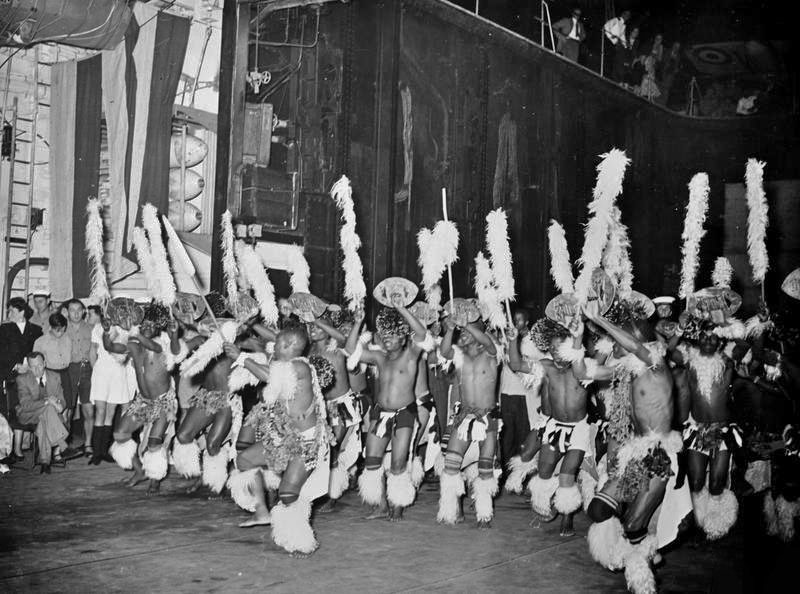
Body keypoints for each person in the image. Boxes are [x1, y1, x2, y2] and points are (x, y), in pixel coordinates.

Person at [584, 301, 685, 594]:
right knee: (599, 509)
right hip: (635, 451)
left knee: (632, 526)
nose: (613, 346)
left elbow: (635, 345)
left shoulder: (656, 364)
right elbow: (584, 370)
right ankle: (647, 547)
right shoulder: (626, 370)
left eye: (617, 341)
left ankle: (643, 579)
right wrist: (580, 339)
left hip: (660, 456)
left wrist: (601, 320)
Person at [226, 325, 331, 555]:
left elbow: (270, 376)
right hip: (283, 437)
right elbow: (269, 371)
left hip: (306, 442)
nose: (275, 348)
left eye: (279, 344)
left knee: (287, 494)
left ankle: (301, 542)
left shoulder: (300, 366)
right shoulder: (284, 364)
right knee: (244, 461)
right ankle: (262, 511)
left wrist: (242, 358)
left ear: (291, 346)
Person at [508, 313, 607, 536]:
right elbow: (515, 363)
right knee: (543, 472)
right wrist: (513, 339)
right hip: (554, 427)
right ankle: (550, 504)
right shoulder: (546, 367)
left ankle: (567, 517)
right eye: (551, 348)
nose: (554, 352)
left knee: (567, 474)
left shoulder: (583, 368)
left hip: (579, 429)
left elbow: (599, 352)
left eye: (559, 348)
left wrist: (583, 334)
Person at [345, 294, 429, 521]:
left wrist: (401, 309)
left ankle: (398, 505)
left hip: (405, 415)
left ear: (403, 338)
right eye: (385, 334)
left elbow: (421, 333)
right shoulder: (380, 358)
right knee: (372, 460)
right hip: (380, 414)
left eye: (393, 335)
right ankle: (381, 505)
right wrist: (358, 323)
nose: (387, 338)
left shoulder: (412, 355)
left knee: (398, 462)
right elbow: (351, 349)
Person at [670, 318, 741, 540]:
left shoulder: (728, 362)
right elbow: (668, 350)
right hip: (696, 430)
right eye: (704, 336)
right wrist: (680, 327)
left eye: (713, 336)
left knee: (717, 482)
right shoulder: (689, 362)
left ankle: (717, 524)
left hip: (723, 431)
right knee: (697, 481)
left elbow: (746, 347)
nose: (708, 339)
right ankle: (700, 522)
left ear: (720, 340)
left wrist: (728, 324)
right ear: (697, 339)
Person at [109, 303, 183, 495]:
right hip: (143, 401)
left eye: (152, 325)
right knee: (120, 435)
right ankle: (140, 470)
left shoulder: (161, 346)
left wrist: (133, 330)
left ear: (158, 328)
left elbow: (151, 344)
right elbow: (112, 346)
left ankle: (155, 477)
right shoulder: (133, 345)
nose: (148, 328)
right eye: (145, 325)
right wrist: (108, 330)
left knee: (154, 444)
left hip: (164, 403)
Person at [437, 317, 500, 528]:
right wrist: (451, 329)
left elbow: (489, 343)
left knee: (485, 470)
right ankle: (451, 510)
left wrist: (468, 324)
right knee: (450, 465)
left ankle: (484, 516)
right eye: (461, 333)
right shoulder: (459, 356)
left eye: (467, 332)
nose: (462, 335)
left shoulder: (491, 354)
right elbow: (444, 351)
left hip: (487, 418)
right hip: (464, 417)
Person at [15, 352, 80, 473]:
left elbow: (61, 399)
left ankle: (45, 462)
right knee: (48, 409)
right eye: (33, 366)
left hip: (49, 416)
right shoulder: (22, 379)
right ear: (28, 367)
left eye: (39, 365)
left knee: (44, 420)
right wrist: (47, 402)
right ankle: (63, 445)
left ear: (44, 363)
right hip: (28, 414)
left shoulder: (55, 376)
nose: (36, 369)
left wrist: (60, 405)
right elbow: (26, 405)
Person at [87, 308, 134, 465]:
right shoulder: (98, 327)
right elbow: (92, 352)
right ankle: (96, 452)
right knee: (100, 411)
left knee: (111, 412)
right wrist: (97, 370)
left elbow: (126, 352)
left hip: (118, 371)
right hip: (101, 371)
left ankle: (104, 451)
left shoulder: (125, 328)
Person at [0, 297, 43, 464]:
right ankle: (11, 448)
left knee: (27, 407)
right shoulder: (3, 330)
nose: (9, 313)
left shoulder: (37, 330)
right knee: (11, 409)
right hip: (10, 376)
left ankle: (23, 446)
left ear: (22, 312)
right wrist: (15, 365)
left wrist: (28, 366)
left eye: (11, 310)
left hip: (30, 376)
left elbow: (38, 352)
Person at [63, 298, 93, 454]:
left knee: (89, 409)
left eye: (78, 310)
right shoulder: (61, 328)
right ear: (67, 312)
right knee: (67, 409)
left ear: (83, 311)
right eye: (72, 310)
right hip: (69, 370)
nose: (75, 313)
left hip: (88, 369)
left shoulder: (91, 328)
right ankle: (64, 445)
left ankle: (88, 444)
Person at [33, 314, 72, 405]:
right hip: (50, 375)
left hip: (65, 373)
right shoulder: (40, 342)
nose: (60, 333)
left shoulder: (67, 339)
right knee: (53, 404)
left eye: (63, 330)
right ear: (51, 327)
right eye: (57, 330)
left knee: (68, 403)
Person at [603, 10, 631, 82]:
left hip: (616, 45)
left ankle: (611, 79)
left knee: (614, 61)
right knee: (608, 60)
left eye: (628, 15)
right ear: (622, 14)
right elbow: (606, 27)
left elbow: (622, 37)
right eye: (626, 14)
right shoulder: (616, 20)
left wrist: (626, 45)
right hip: (610, 43)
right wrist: (611, 37)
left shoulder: (624, 26)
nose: (627, 16)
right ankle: (605, 77)